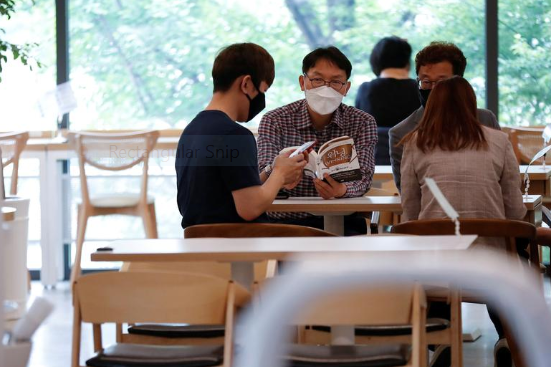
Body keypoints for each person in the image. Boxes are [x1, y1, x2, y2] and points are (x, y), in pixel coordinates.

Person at [399, 76, 525, 367]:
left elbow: (410, 213)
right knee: (509, 256)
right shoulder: (499, 141)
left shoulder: (415, 142)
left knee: (429, 263)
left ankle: (442, 341)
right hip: (490, 264)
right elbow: (515, 211)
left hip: (437, 267)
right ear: (473, 106)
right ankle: (506, 340)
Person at [176, 43, 306, 228]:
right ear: (246, 84)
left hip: (199, 244)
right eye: (263, 91)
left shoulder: (192, 131)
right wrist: (280, 174)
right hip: (238, 245)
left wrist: (272, 170)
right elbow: (250, 208)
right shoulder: (235, 135)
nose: (263, 100)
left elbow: (227, 191)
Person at [257, 46, 377, 236]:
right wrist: (279, 173)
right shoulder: (275, 120)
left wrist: (341, 190)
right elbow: (261, 174)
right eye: (317, 80)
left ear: (346, 88)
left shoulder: (362, 122)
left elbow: (365, 177)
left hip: (343, 221)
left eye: (336, 81)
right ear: (302, 82)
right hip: (285, 223)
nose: (326, 88)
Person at [389, 41, 500, 190]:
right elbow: (408, 191)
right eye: (426, 81)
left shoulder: (485, 120)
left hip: (485, 207)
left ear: (459, 82)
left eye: (442, 81)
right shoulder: (402, 133)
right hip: (432, 210)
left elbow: (502, 175)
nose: (435, 89)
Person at [355, 36, 420, 167]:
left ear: (376, 60)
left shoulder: (365, 90)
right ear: (407, 61)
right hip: (416, 166)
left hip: (373, 168)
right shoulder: (421, 90)